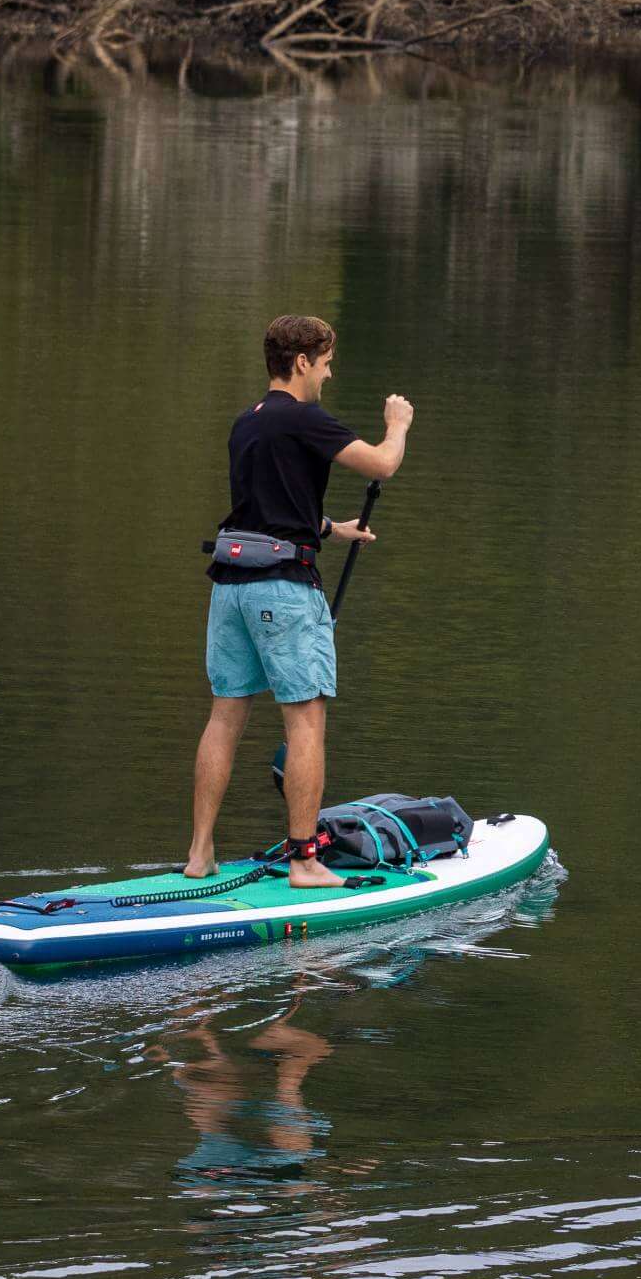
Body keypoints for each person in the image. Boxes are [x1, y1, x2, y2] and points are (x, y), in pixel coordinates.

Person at [185, 314, 413, 885]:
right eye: (327, 363)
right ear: (303, 362)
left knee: (225, 715)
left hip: (230, 588)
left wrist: (334, 527)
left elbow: (271, 507)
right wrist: (397, 424)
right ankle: (304, 861)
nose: (329, 375)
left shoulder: (248, 423)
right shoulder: (306, 418)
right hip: (285, 592)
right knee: (306, 722)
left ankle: (199, 853)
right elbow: (384, 463)